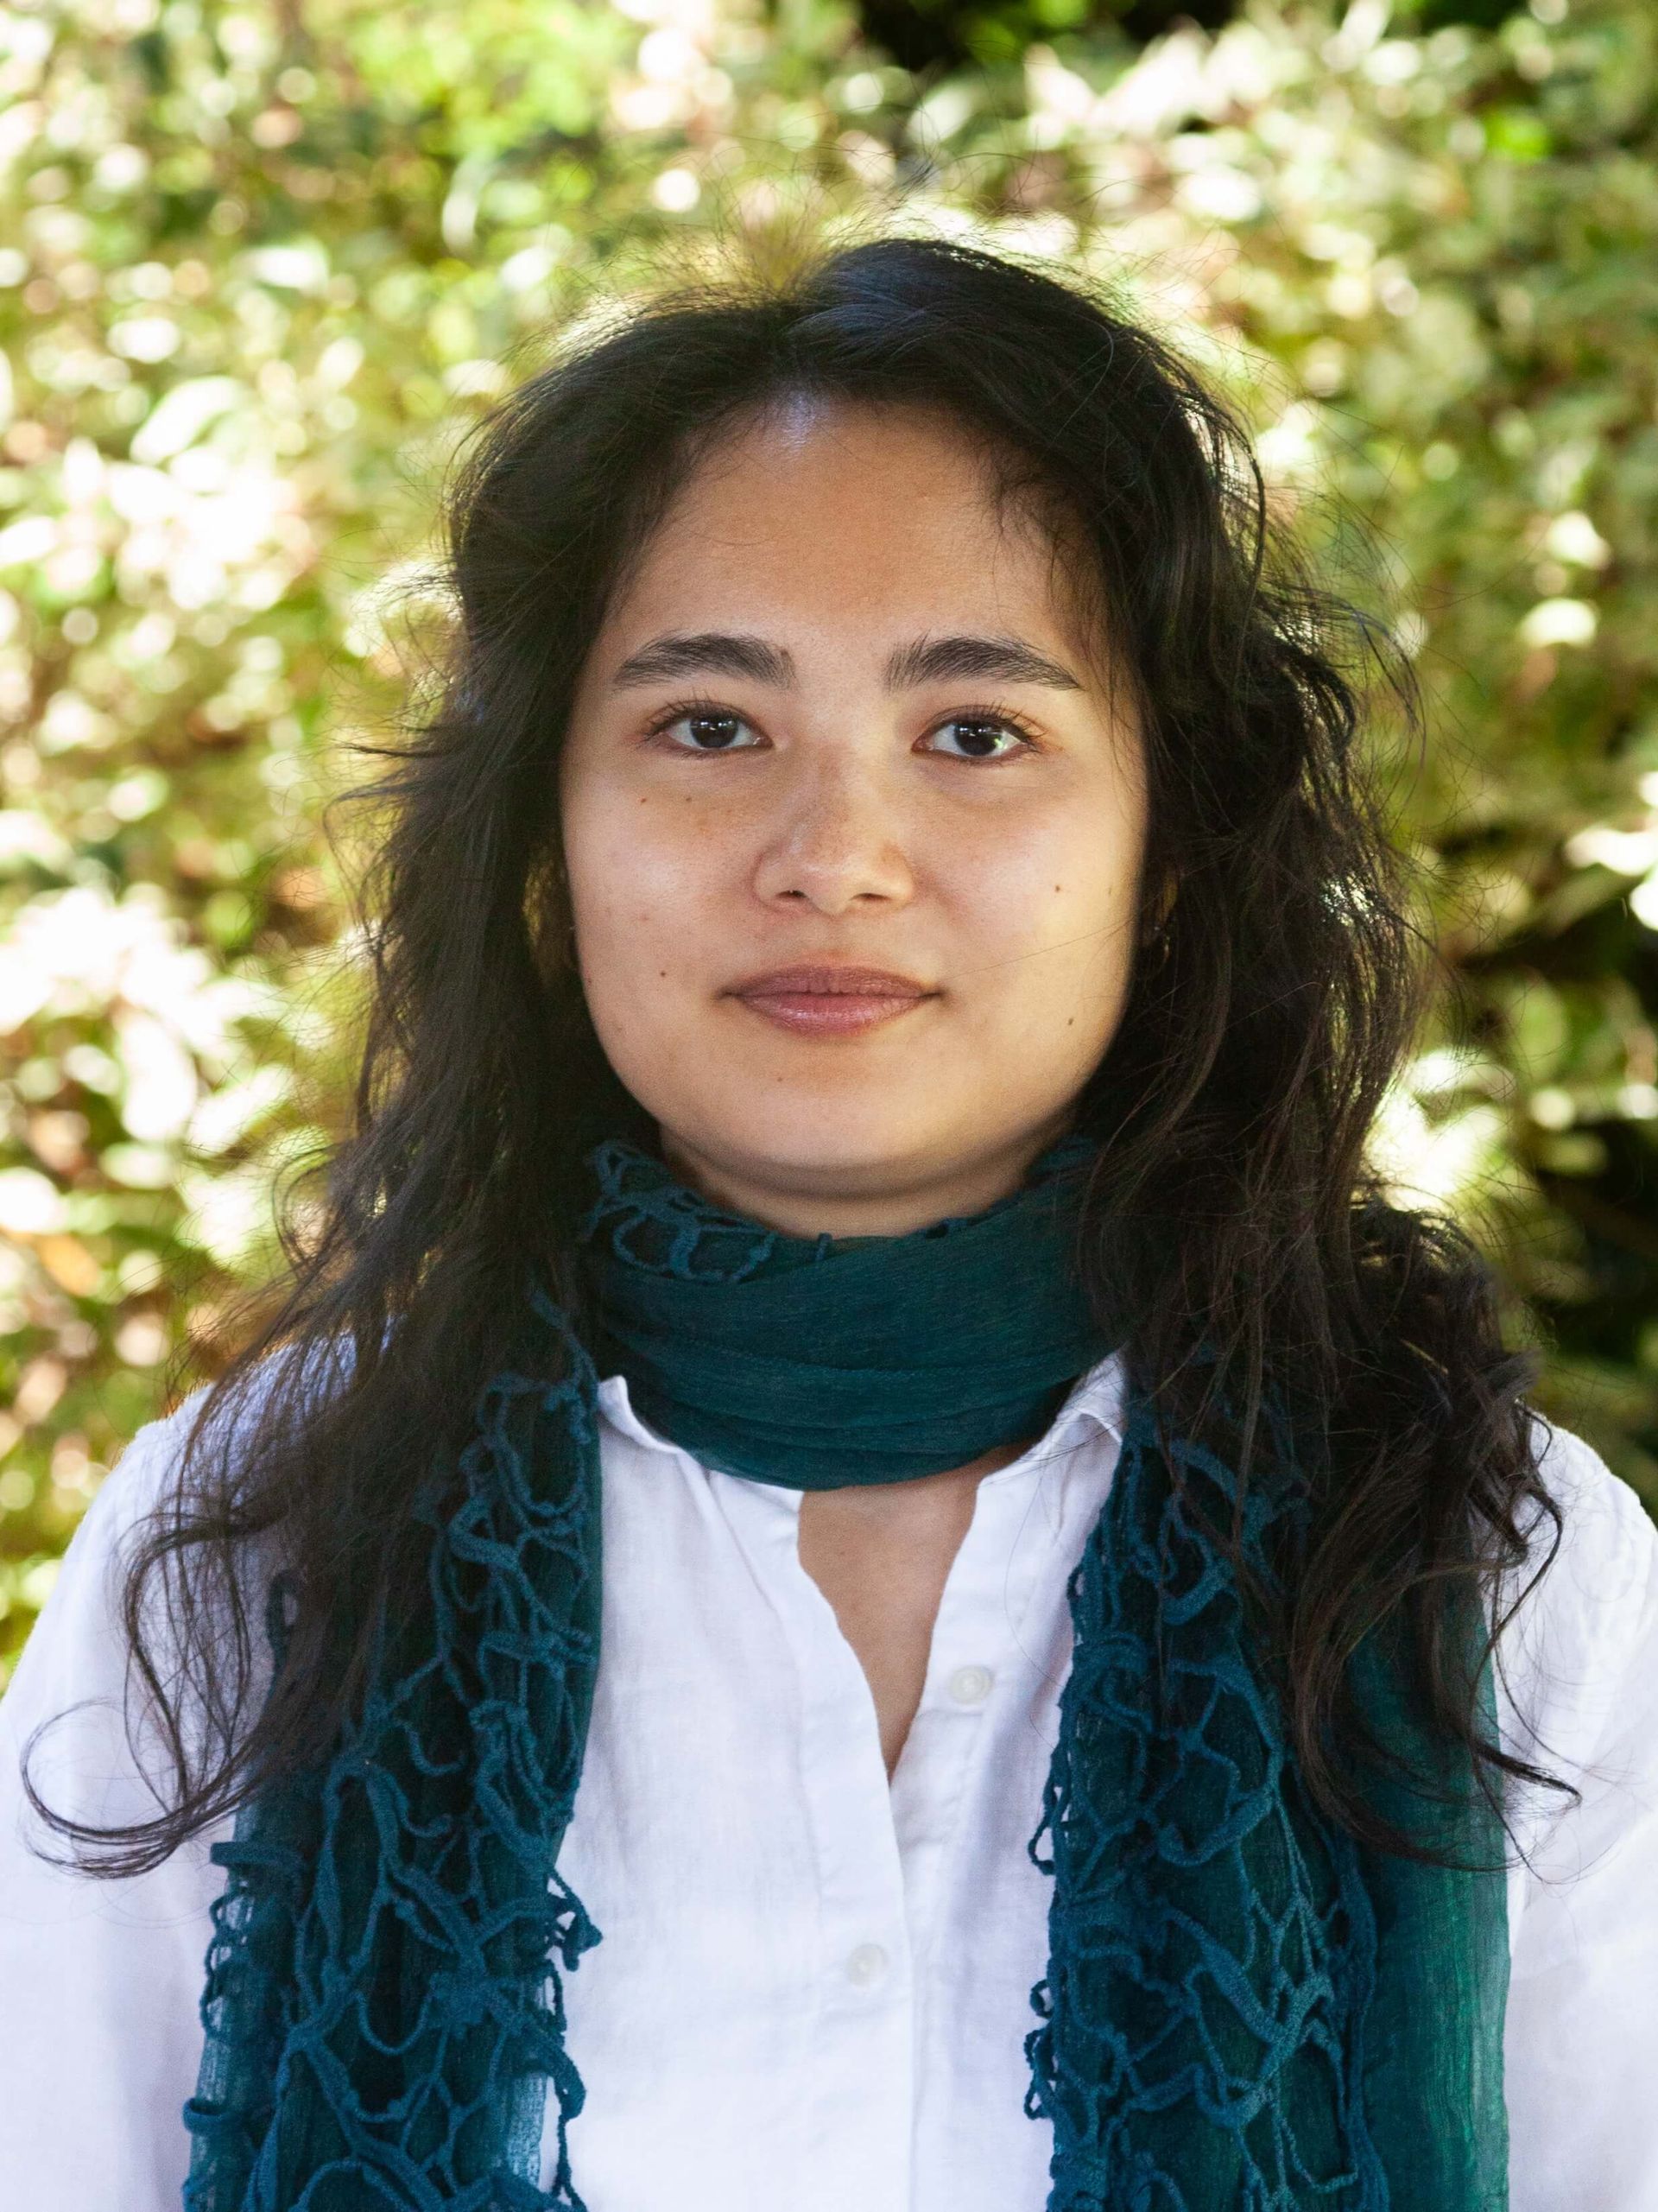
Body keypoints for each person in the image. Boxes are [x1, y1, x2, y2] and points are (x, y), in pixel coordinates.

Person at [2, 233, 1655, 2212]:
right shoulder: (244, 1549)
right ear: (546, 833)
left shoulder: (1493, 1577)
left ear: (1166, 853)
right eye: (711, 726)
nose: (836, 857)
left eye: (976, 734)